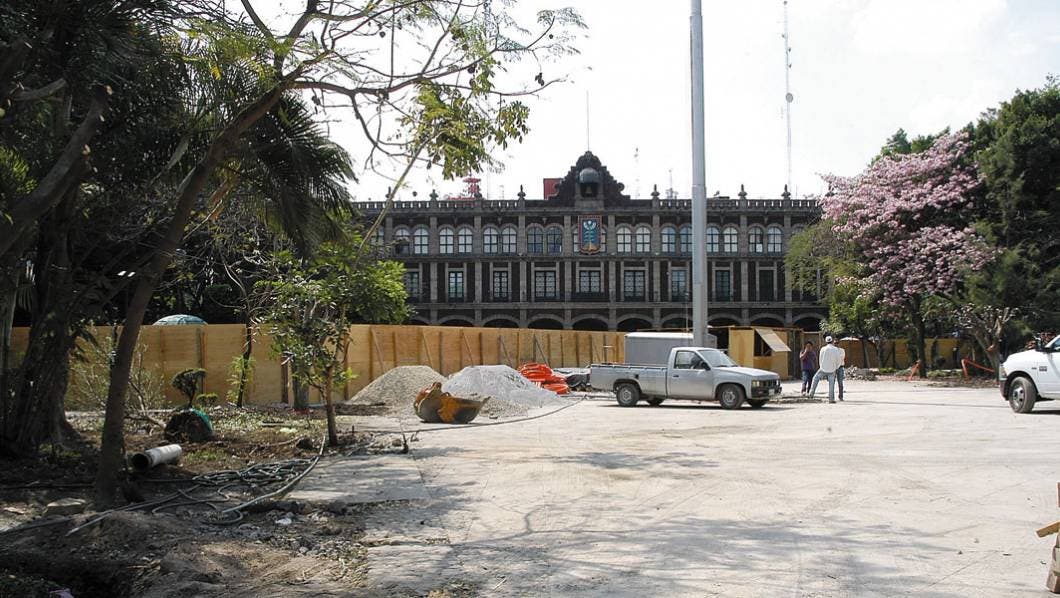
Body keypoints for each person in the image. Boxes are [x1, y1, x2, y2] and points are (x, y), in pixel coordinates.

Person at [809, 335, 844, 403]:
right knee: (831, 384)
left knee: (815, 379)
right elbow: (839, 360)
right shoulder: (836, 349)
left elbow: (820, 358)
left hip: (823, 368)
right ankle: (831, 399)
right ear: (832, 341)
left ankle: (811, 394)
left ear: (826, 341)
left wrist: (821, 366)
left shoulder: (823, 349)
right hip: (832, 369)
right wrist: (836, 367)